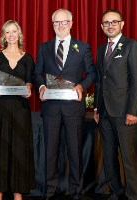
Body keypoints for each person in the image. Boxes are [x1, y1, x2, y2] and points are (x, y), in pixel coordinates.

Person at [34, 9, 97, 200]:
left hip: (73, 108)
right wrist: (41, 87)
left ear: (71, 23)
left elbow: (92, 73)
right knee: (50, 153)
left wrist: (81, 86)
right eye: (56, 23)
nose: (60, 26)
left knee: (75, 153)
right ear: (52, 25)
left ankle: (76, 192)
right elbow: (37, 73)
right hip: (51, 108)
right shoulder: (44, 47)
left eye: (64, 22)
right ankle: (50, 191)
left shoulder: (83, 46)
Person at [93, 10, 137, 200]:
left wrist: (133, 111)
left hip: (124, 113)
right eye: (106, 23)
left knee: (129, 158)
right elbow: (99, 81)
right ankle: (116, 192)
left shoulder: (131, 46)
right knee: (109, 156)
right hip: (104, 112)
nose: (110, 25)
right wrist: (97, 109)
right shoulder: (100, 50)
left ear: (122, 24)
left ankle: (133, 196)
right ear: (102, 27)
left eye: (114, 22)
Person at [0, 20, 35, 200]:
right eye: (7, 32)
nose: (11, 35)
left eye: (14, 31)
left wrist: (28, 88)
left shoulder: (28, 58)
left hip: (20, 108)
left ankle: (17, 191)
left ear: (19, 34)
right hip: (0, 108)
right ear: (3, 36)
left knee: (19, 149)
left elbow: (29, 81)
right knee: (0, 147)